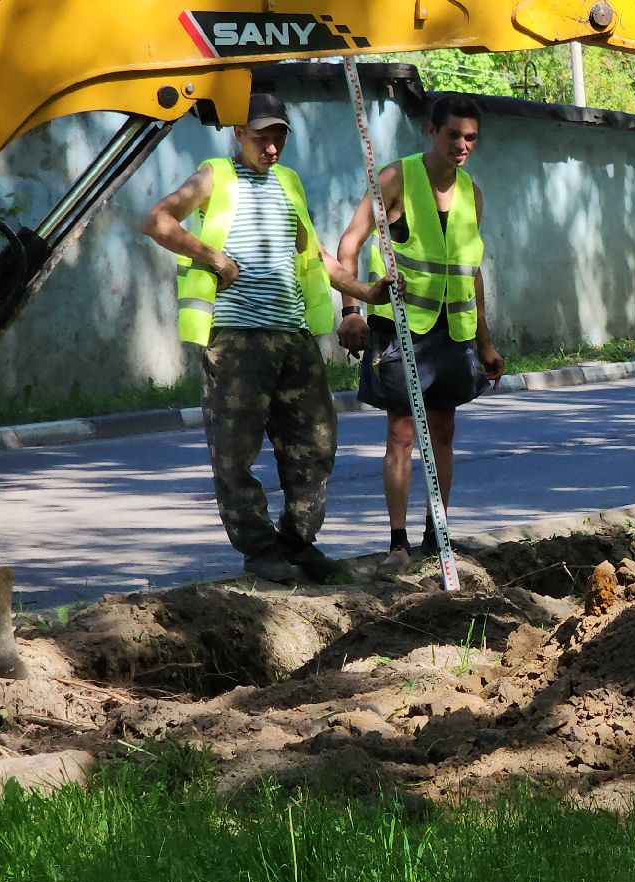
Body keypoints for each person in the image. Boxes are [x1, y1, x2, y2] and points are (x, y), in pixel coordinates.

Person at [141, 93, 394, 584]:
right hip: (236, 337)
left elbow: (316, 257)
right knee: (235, 450)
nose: (272, 146)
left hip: (292, 334)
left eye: (279, 136)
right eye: (262, 137)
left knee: (316, 442)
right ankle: (259, 550)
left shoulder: (289, 182)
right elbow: (157, 221)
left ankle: (297, 543)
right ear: (239, 134)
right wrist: (211, 256)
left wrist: (365, 292)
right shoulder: (215, 175)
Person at [336, 94, 503, 573]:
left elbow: (472, 272)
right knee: (402, 435)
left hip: (453, 333)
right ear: (432, 131)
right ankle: (397, 544)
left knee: (444, 433)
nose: (462, 145)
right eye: (453, 134)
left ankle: (438, 536)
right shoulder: (397, 178)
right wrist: (352, 310)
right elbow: (350, 242)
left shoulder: (472, 192)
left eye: (471, 137)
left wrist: (485, 342)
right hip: (401, 328)